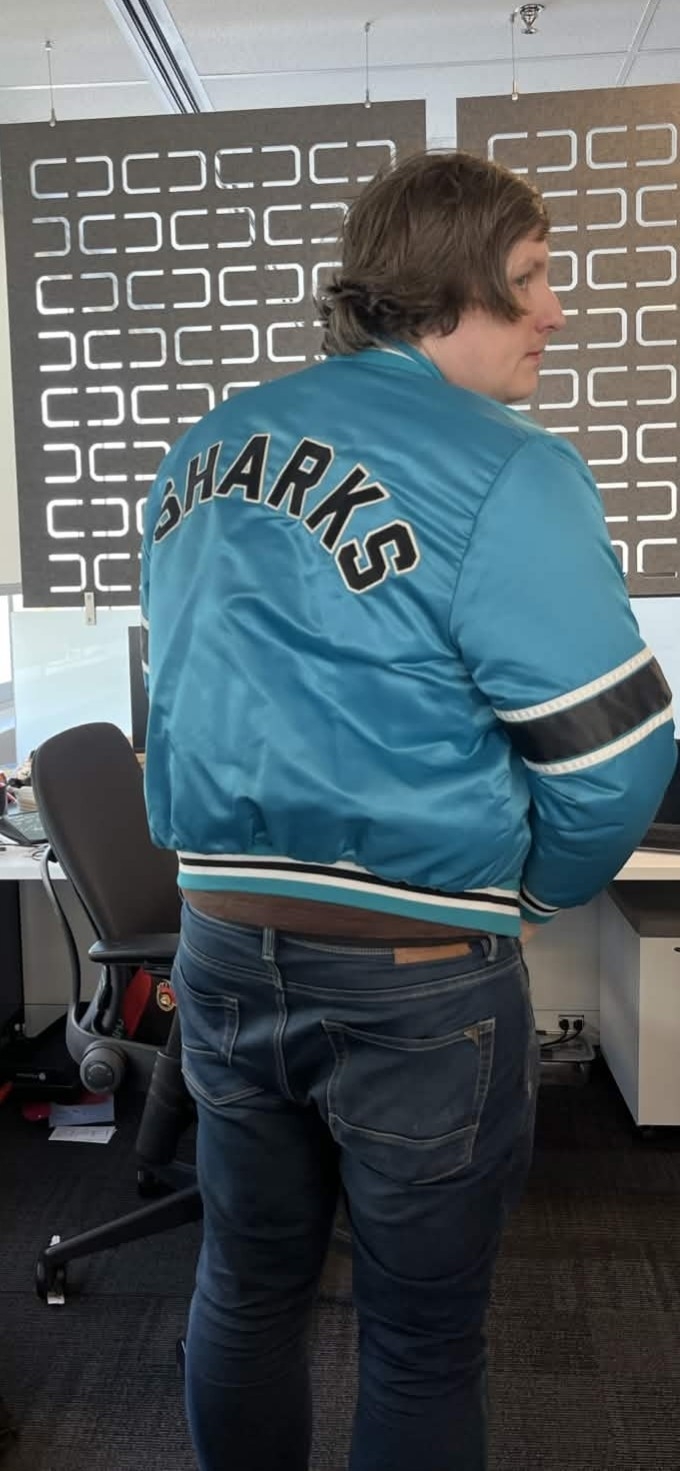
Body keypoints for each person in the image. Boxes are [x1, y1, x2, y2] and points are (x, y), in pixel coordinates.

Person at [140, 149, 676, 1471]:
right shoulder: (511, 468)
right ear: (450, 288)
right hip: (416, 975)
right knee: (422, 1338)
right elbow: (617, 761)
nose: (557, 313)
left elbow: (191, 688)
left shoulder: (203, 447)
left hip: (219, 948)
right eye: (534, 279)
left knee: (244, 1288)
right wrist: (532, 894)